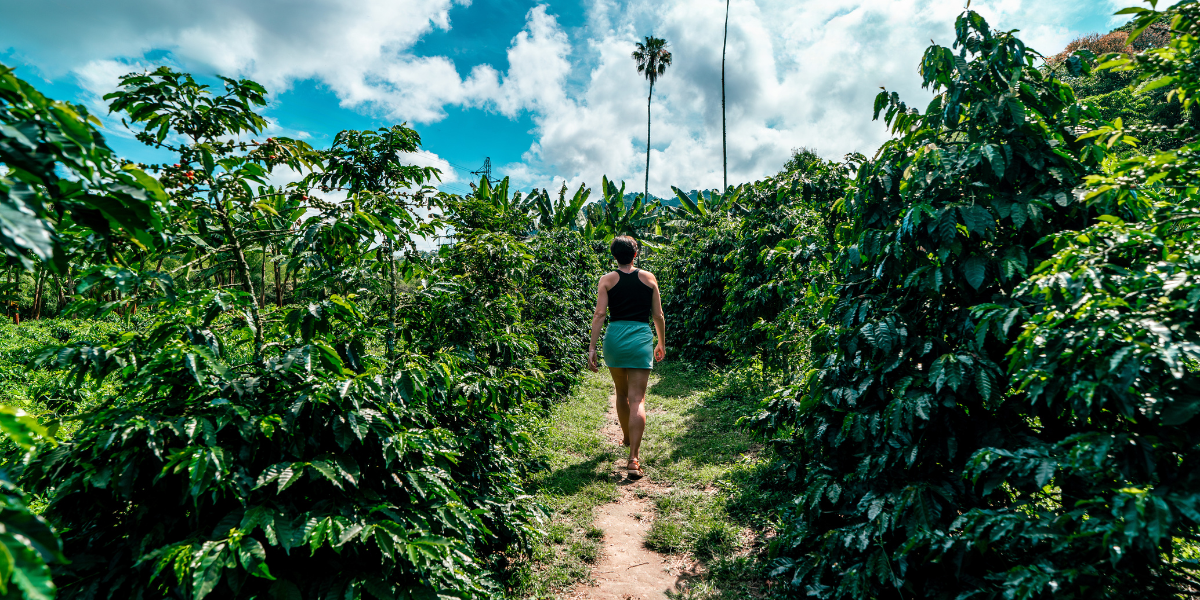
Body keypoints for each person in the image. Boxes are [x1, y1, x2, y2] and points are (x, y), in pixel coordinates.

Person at [588, 235, 667, 480]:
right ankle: (634, 458)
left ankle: (625, 435)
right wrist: (661, 342)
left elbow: (600, 313)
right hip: (641, 338)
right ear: (635, 254)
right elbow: (658, 315)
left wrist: (592, 347)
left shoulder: (607, 280)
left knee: (621, 394)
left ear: (614, 256)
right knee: (638, 399)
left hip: (615, 339)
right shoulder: (649, 278)